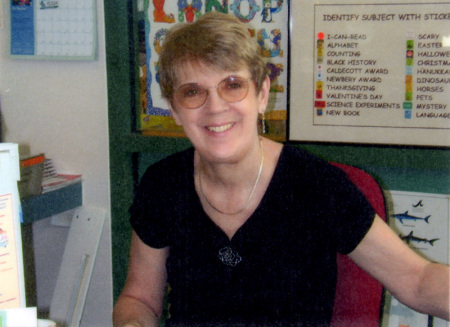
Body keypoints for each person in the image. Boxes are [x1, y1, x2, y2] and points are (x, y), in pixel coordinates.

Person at [113, 12, 450, 327]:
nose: (215, 107)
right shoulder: (162, 184)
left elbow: (417, 281)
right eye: (192, 92)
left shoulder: (318, 186)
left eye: (233, 85)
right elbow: (139, 298)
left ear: (261, 95)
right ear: (174, 109)